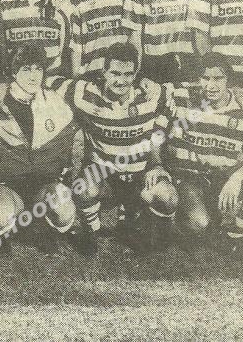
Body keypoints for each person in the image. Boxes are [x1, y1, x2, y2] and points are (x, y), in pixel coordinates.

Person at [50, 43, 178, 255]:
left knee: (168, 196)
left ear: (136, 73)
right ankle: (93, 230)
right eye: (115, 73)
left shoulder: (153, 94)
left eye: (128, 74)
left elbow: (166, 115)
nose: (121, 81)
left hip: (140, 174)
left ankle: (152, 230)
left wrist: (156, 164)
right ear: (104, 71)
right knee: (82, 188)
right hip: (104, 173)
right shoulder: (84, 94)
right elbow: (48, 81)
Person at [165, 53, 243, 253]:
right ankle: (181, 221)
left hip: (224, 177)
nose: (211, 86)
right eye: (205, 78)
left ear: (229, 80)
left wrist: (236, 179)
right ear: (198, 79)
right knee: (199, 224)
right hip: (191, 178)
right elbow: (146, 86)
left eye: (218, 79)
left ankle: (234, 235)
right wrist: (147, 84)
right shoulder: (183, 96)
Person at [0, 44, 83, 253]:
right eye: (26, 69)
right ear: (13, 72)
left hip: (43, 184)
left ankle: (46, 228)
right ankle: (2, 233)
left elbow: (68, 137)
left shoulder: (54, 100)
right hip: (9, 184)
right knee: (0, 216)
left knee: (63, 208)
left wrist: (62, 172)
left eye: (38, 69)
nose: (33, 76)